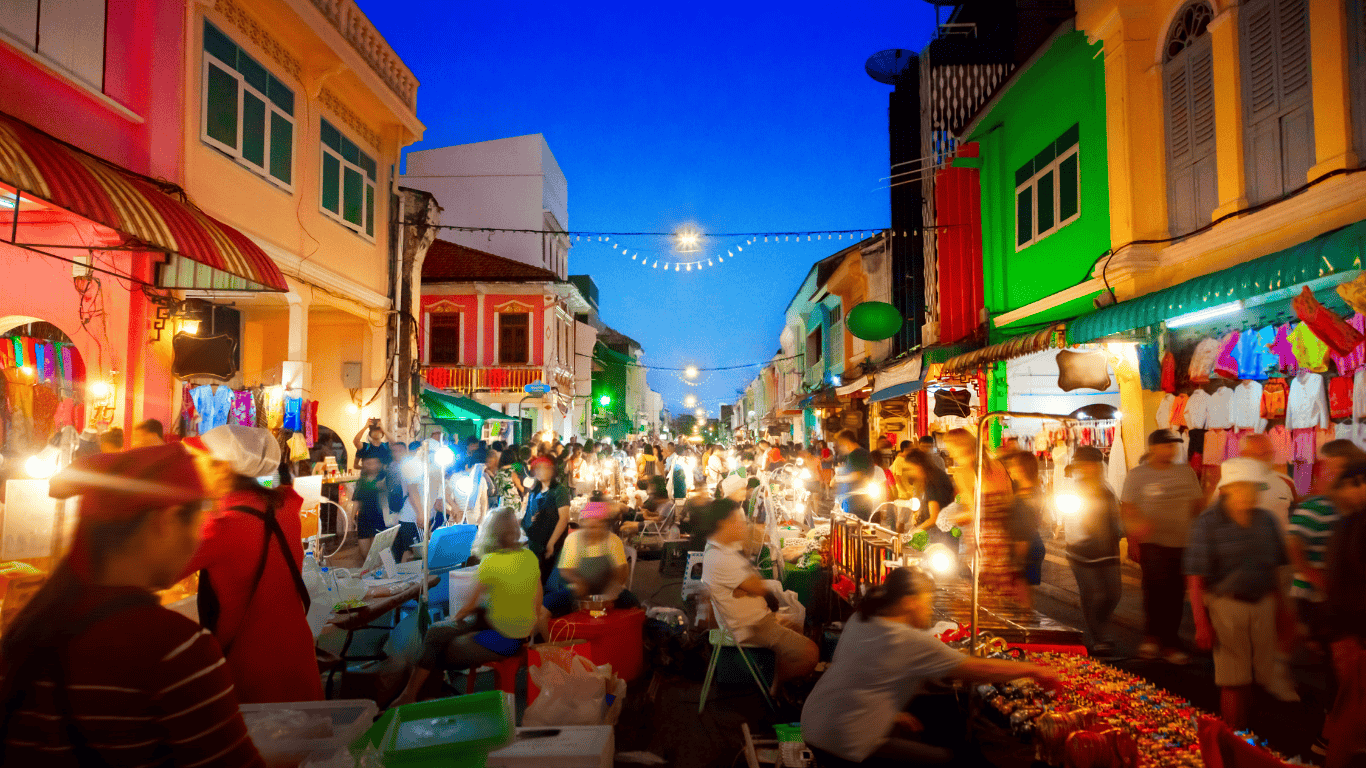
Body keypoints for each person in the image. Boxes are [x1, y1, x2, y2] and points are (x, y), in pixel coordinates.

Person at [0, 443, 265, 767]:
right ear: (165, 522)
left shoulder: (29, 628)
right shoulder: (177, 649)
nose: (199, 538)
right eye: (198, 523)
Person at [801, 567, 1061, 767]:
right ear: (909, 601)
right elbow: (976, 668)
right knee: (945, 759)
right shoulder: (908, 639)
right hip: (843, 741)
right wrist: (1033, 670)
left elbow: (859, 674)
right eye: (928, 603)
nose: (930, 611)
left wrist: (889, 713)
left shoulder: (862, 618)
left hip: (814, 721)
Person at [185, 425, 322, 704]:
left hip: (249, 668)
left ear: (221, 470)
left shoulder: (221, 526)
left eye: (198, 462)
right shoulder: (284, 507)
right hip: (298, 654)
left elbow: (152, 572)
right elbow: (271, 485)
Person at [1185, 457, 1298, 729]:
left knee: (1259, 677)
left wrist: (1283, 614)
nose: (1249, 494)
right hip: (1226, 607)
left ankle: (1250, 733)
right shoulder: (1208, 523)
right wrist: (1201, 623)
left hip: (1263, 605)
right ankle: (1235, 736)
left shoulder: (1266, 521)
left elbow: (1274, 571)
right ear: (1226, 490)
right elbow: (1196, 578)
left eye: (1253, 488)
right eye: (1242, 488)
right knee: (1234, 680)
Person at [393, 507, 542, 706]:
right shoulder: (529, 557)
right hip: (520, 634)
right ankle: (418, 696)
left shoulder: (490, 562)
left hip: (503, 639)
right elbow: (537, 600)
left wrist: (453, 623)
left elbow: (468, 607)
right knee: (437, 635)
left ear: (490, 533)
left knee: (436, 645)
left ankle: (414, 696)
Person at [1287, 440, 1364, 760]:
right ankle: (1326, 750)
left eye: (1334, 469)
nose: (1327, 474)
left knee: (1345, 698)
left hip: (1344, 623)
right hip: (1345, 624)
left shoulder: (1352, 519)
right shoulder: (1335, 515)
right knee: (1344, 698)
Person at [699, 499, 818, 696]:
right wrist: (755, 588)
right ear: (723, 524)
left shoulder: (719, 549)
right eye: (737, 520)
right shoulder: (721, 557)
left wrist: (749, 587)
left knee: (796, 626)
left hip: (754, 618)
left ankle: (780, 679)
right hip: (752, 626)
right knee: (811, 653)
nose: (742, 524)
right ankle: (777, 690)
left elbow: (753, 584)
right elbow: (758, 585)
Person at [1121, 428, 1205, 663]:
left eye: (1173, 446)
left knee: (1175, 594)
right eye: (1166, 445)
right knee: (1154, 590)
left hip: (1182, 542)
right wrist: (1133, 539)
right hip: (1153, 543)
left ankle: (1170, 641)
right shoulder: (1138, 475)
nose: (1170, 450)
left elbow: (1197, 504)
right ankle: (1151, 637)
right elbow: (1128, 507)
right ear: (1153, 448)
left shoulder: (1185, 473)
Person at [1060, 446, 1123, 656]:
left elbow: (1114, 516)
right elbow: (1069, 517)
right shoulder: (1071, 488)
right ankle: (1099, 637)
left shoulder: (1107, 488)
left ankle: (1102, 628)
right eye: (1084, 464)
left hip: (1108, 550)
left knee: (1113, 594)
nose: (1089, 468)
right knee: (1093, 594)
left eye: (1093, 464)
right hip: (1081, 550)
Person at [942, 428, 1017, 606]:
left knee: (985, 594)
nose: (949, 451)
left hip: (984, 539)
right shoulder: (997, 465)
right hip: (1005, 536)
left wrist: (951, 518)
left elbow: (976, 511)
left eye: (950, 446)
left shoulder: (964, 472)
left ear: (961, 447)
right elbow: (1009, 501)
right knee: (1004, 593)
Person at [1323, 459, 1366, 768]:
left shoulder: (1348, 522)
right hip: (1356, 631)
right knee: (1354, 710)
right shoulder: (1355, 523)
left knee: (1350, 707)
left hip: (1346, 629)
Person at [544, 502, 639, 616]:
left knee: (636, 607)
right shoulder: (573, 539)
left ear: (605, 525)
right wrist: (578, 581)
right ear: (582, 524)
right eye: (589, 526)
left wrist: (614, 586)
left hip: (608, 590)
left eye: (598, 526)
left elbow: (622, 570)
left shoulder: (613, 540)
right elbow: (565, 570)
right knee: (545, 606)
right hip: (577, 590)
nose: (593, 530)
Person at [1002, 451, 1047, 611]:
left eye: (1012, 466)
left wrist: (1017, 560)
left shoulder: (1023, 496)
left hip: (1025, 547)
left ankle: (1027, 630)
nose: (1010, 470)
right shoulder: (1035, 490)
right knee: (1026, 596)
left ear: (1021, 468)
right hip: (1035, 543)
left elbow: (1023, 530)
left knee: (1023, 601)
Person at [522, 455, 572, 583]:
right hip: (534, 545)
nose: (541, 471)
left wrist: (551, 543)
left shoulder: (559, 490)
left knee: (549, 580)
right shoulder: (534, 492)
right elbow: (527, 517)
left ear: (552, 470)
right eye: (538, 468)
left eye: (545, 468)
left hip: (552, 544)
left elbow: (564, 518)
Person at [1239, 432, 1298, 530]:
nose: (1263, 458)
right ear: (1244, 455)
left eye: (1267, 453)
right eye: (1257, 454)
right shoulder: (1231, 484)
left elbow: (1295, 514)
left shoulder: (1287, 482)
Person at [352, 452, 389, 563]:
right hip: (363, 518)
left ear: (379, 464)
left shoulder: (384, 478)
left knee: (376, 552)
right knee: (364, 553)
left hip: (379, 517)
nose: (371, 465)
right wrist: (352, 517)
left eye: (374, 462)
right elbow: (357, 500)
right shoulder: (361, 481)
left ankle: (376, 575)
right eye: (368, 463)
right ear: (364, 465)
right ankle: (369, 574)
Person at [834, 430, 877, 521]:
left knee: (854, 528)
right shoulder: (863, 453)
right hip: (861, 499)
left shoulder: (856, 454)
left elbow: (857, 475)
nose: (841, 448)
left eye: (841, 444)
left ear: (847, 443)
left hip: (856, 501)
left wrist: (838, 479)